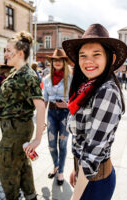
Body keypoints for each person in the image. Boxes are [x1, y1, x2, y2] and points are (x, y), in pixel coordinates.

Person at [62, 23, 127, 200]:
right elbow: (81, 140)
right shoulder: (87, 87)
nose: (88, 61)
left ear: (111, 59)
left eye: (96, 54)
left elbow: (92, 152)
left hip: (96, 182)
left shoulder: (106, 92)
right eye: (83, 56)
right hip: (86, 174)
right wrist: (76, 168)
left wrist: (75, 197)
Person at [0, 31, 46, 200]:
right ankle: (31, 196)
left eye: (9, 50)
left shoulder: (27, 75)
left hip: (17, 129)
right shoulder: (16, 72)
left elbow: (40, 106)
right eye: (5, 50)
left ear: (20, 53)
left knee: (7, 170)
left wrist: (37, 139)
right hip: (13, 128)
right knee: (23, 165)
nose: (5, 54)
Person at [43, 49, 72, 186]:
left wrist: (68, 104)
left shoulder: (71, 78)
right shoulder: (47, 79)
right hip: (51, 114)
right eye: (55, 60)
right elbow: (44, 100)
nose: (57, 62)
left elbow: (77, 97)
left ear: (64, 62)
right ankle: (55, 165)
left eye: (60, 60)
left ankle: (60, 171)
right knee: (51, 144)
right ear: (52, 62)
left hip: (65, 114)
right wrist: (41, 119)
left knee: (62, 144)